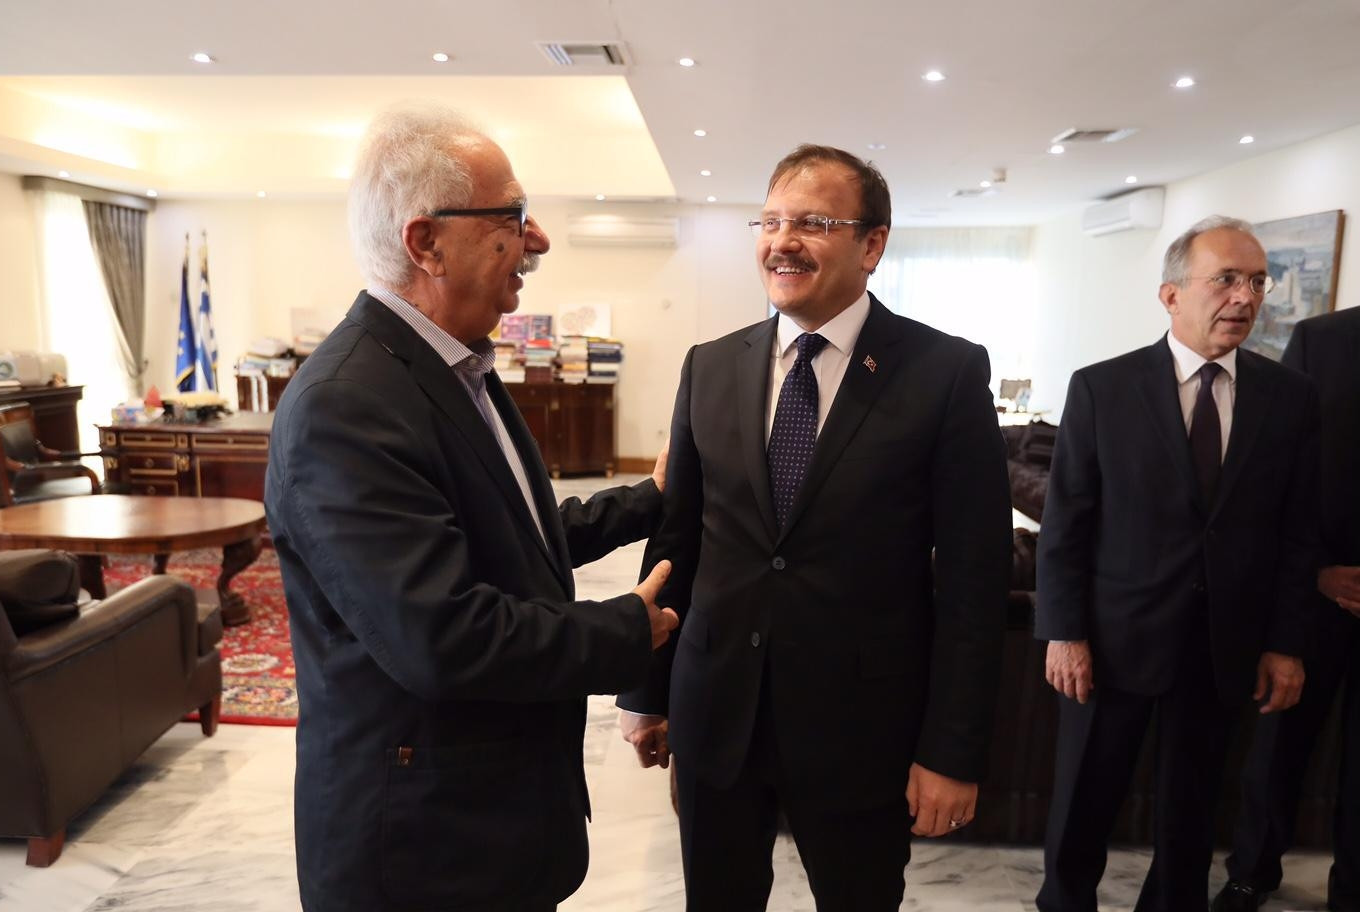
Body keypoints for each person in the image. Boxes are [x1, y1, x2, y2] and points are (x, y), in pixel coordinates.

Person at [264, 103, 679, 912]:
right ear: (427, 243)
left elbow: (513, 537)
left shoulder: (453, 369)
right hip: (423, 853)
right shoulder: (347, 404)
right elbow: (442, 637)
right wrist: (627, 630)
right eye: (513, 216)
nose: (538, 240)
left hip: (491, 822)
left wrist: (648, 501)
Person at [617, 144, 1013, 911]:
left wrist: (952, 751)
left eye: (813, 223)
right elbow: (677, 542)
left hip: (862, 730)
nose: (782, 241)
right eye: (770, 222)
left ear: (872, 244)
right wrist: (647, 690)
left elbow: (975, 577)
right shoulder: (709, 366)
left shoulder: (945, 373)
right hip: (716, 714)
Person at [1035, 215, 1320, 911]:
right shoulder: (1103, 388)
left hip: (1223, 648)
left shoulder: (1289, 398)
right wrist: (1063, 632)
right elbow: (1066, 524)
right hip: (1111, 644)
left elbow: (1297, 533)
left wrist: (1285, 644)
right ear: (1171, 295)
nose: (1245, 297)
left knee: (1190, 822)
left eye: (1258, 281)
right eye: (1225, 279)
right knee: (1082, 810)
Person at [1213, 305, 1360, 912]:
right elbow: (1278, 472)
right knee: (1279, 743)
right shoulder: (1323, 340)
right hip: (1313, 588)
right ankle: (1251, 871)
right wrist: (1316, 572)